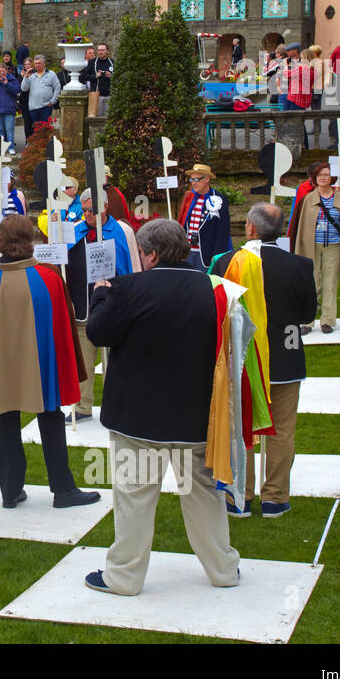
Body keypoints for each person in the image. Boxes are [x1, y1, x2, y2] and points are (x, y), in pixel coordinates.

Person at [83, 219, 241, 595]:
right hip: (196, 415)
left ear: (150, 254)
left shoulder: (128, 288)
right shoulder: (214, 289)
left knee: (135, 499)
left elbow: (98, 332)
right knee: (205, 497)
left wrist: (101, 294)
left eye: (141, 252)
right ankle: (223, 569)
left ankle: (124, 576)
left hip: (139, 419)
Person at [0, 214, 98, 509]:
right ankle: (63, 489)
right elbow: (63, 329)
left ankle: (10, 491)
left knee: (6, 418)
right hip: (41, 361)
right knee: (51, 416)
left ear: (0, 241)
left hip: (1, 360)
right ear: (31, 239)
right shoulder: (49, 278)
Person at [211, 203, 317, 518]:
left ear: (251, 229)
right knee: (282, 430)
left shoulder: (227, 262)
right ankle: (274, 497)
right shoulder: (299, 265)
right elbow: (307, 314)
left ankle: (239, 497)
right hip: (285, 357)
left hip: (242, 358)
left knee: (241, 428)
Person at [66, 188, 141, 421]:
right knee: (85, 361)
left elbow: (128, 266)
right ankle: (82, 406)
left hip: (112, 304)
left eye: (92, 210)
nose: (87, 214)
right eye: (85, 210)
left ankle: (117, 405)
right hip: (82, 306)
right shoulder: (75, 231)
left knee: (114, 361)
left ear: (105, 207)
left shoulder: (119, 232)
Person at [288, 161, 340, 333]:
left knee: (330, 281)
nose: (323, 178)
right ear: (315, 178)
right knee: (310, 282)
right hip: (312, 245)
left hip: (333, 245)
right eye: (320, 175)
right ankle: (307, 321)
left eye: (326, 175)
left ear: (332, 178)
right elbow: (301, 226)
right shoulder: (308, 199)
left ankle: (327, 320)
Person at [177, 163, 232, 271]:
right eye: (191, 180)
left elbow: (222, 230)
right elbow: (182, 223)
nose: (193, 183)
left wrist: (217, 255)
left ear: (206, 179)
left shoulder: (218, 199)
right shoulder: (189, 198)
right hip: (187, 252)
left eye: (196, 180)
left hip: (206, 253)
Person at [21, 53, 62, 137]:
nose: (37, 65)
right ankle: (38, 148)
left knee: (45, 129)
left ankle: (44, 148)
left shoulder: (51, 74)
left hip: (46, 106)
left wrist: (53, 100)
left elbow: (57, 87)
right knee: (36, 130)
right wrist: (25, 77)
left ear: (44, 63)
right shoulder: (31, 75)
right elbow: (24, 89)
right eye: (36, 63)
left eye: (39, 63)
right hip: (33, 107)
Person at [0, 62, 21, 155]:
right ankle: (1, 148)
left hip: (9, 108)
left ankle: (11, 147)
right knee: (0, 130)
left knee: (9, 129)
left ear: (6, 71)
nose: (1, 73)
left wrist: (7, 84)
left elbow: (17, 91)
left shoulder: (12, 79)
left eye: (3, 71)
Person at [79, 44, 115, 117]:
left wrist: (111, 76)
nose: (100, 52)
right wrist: (95, 76)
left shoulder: (112, 62)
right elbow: (84, 76)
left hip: (110, 95)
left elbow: (119, 76)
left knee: (109, 118)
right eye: (99, 50)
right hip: (96, 95)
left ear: (107, 51)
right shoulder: (92, 62)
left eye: (102, 50)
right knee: (96, 119)